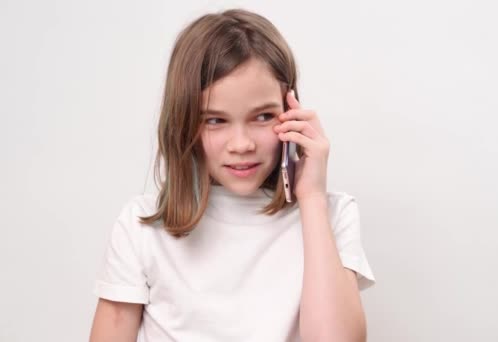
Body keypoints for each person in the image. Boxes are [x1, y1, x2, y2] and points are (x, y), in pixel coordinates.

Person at [89, 8, 375, 342]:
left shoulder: (332, 215)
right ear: (183, 124)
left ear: (291, 111)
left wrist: (311, 197)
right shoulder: (142, 227)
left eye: (264, 116)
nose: (242, 144)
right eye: (215, 120)